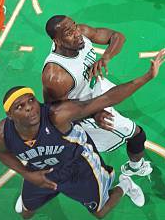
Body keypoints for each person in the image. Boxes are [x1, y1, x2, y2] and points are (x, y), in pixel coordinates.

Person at [0, 50, 165, 218]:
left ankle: (125, 185)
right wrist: (27, 174)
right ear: (10, 115)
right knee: (26, 213)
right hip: (41, 171)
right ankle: (34, 196)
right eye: (19, 107)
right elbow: (1, 153)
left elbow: (106, 99)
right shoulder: (2, 133)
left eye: (31, 100)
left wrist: (147, 76)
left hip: (78, 167)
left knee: (100, 212)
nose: (29, 107)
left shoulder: (57, 116)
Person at [42, 16, 154, 178]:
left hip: (95, 88)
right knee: (137, 136)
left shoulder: (81, 32)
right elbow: (57, 113)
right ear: (57, 41)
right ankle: (135, 168)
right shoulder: (56, 76)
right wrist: (94, 113)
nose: (77, 33)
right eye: (69, 32)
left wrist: (106, 57)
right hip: (82, 108)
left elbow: (117, 36)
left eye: (74, 26)